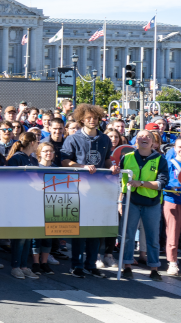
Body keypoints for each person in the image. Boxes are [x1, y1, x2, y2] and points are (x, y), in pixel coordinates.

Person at [61, 104, 120, 278]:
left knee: (95, 228)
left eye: (95, 117)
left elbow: (107, 160)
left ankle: (91, 263)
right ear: (81, 119)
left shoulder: (104, 139)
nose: (92, 120)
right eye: (88, 118)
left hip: (99, 189)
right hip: (78, 188)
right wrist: (82, 166)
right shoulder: (73, 139)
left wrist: (113, 167)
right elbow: (64, 161)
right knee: (79, 229)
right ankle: (77, 264)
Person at [118, 130, 167, 281]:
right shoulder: (126, 157)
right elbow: (120, 182)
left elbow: (161, 183)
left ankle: (154, 268)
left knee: (152, 238)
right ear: (136, 141)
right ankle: (127, 266)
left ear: (153, 142)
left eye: (148, 137)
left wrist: (141, 183)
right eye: (140, 136)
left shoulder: (160, 159)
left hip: (151, 203)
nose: (144, 139)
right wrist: (120, 201)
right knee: (128, 236)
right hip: (131, 201)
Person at [5, 133, 39, 280]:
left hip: (31, 200)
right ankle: (16, 266)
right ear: (31, 142)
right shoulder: (16, 158)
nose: (38, 144)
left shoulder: (33, 159)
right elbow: (11, 180)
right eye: (36, 141)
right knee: (19, 237)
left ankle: (24, 266)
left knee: (28, 236)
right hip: (19, 201)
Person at [31, 142, 59, 276]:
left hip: (52, 205)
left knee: (49, 236)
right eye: (45, 151)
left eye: (51, 151)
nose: (48, 153)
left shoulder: (58, 169)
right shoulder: (34, 169)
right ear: (39, 154)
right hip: (36, 206)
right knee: (37, 236)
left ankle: (44, 262)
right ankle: (35, 263)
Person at [165, 138, 181, 276]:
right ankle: (172, 262)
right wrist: (171, 187)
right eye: (179, 146)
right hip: (172, 199)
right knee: (173, 232)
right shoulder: (169, 163)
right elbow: (163, 180)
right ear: (175, 148)